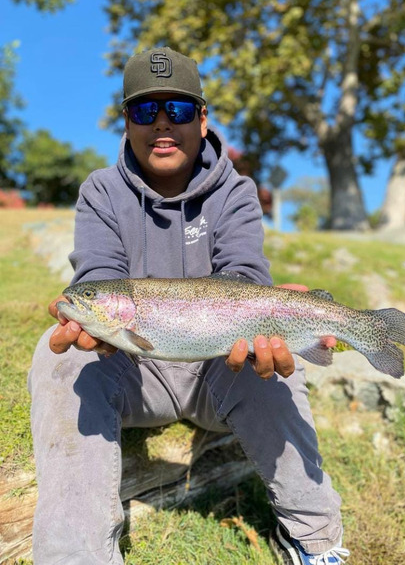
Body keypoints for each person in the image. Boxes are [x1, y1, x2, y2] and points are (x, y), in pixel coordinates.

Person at [28, 46, 349, 565]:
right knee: (58, 355)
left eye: (176, 109)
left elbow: (246, 276)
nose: (162, 123)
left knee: (274, 359)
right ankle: (76, 555)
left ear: (201, 119)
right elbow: (95, 278)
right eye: (144, 110)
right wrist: (88, 320)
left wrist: (277, 316)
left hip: (222, 370)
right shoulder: (101, 192)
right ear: (126, 121)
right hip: (133, 372)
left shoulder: (236, 192)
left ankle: (316, 540)